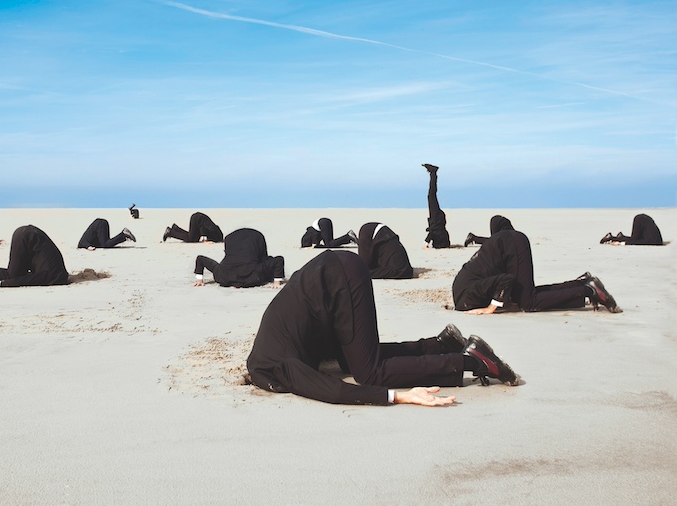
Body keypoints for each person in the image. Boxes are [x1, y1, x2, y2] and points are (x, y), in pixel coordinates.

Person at [246, 250, 519, 406]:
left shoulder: (278, 365)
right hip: (330, 274)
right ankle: (440, 344)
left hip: (339, 279)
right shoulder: (271, 347)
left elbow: (331, 390)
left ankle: (471, 361)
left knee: (369, 373)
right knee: (351, 359)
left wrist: (398, 396)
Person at [452, 229, 621, 314]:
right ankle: (582, 284)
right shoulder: (464, 294)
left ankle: (589, 290)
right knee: (524, 296)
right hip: (507, 243)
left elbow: (505, 280)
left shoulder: (469, 298)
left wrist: (491, 307)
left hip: (511, 245)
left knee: (528, 302)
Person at [193, 228, 285, 288]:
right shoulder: (258, 269)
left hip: (226, 277)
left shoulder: (221, 271)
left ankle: (199, 281)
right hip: (252, 277)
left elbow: (200, 259)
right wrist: (277, 282)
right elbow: (279, 260)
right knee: (266, 262)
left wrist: (199, 279)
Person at [423, 163, 450, 249]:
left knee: (431, 195)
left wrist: (426, 242)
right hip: (436, 218)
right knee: (431, 195)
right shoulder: (437, 234)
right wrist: (426, 242)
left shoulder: (441, 235)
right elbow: (432, 233)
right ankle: (433, 173)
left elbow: (432, 233)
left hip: (437, 219)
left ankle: (433, 172)